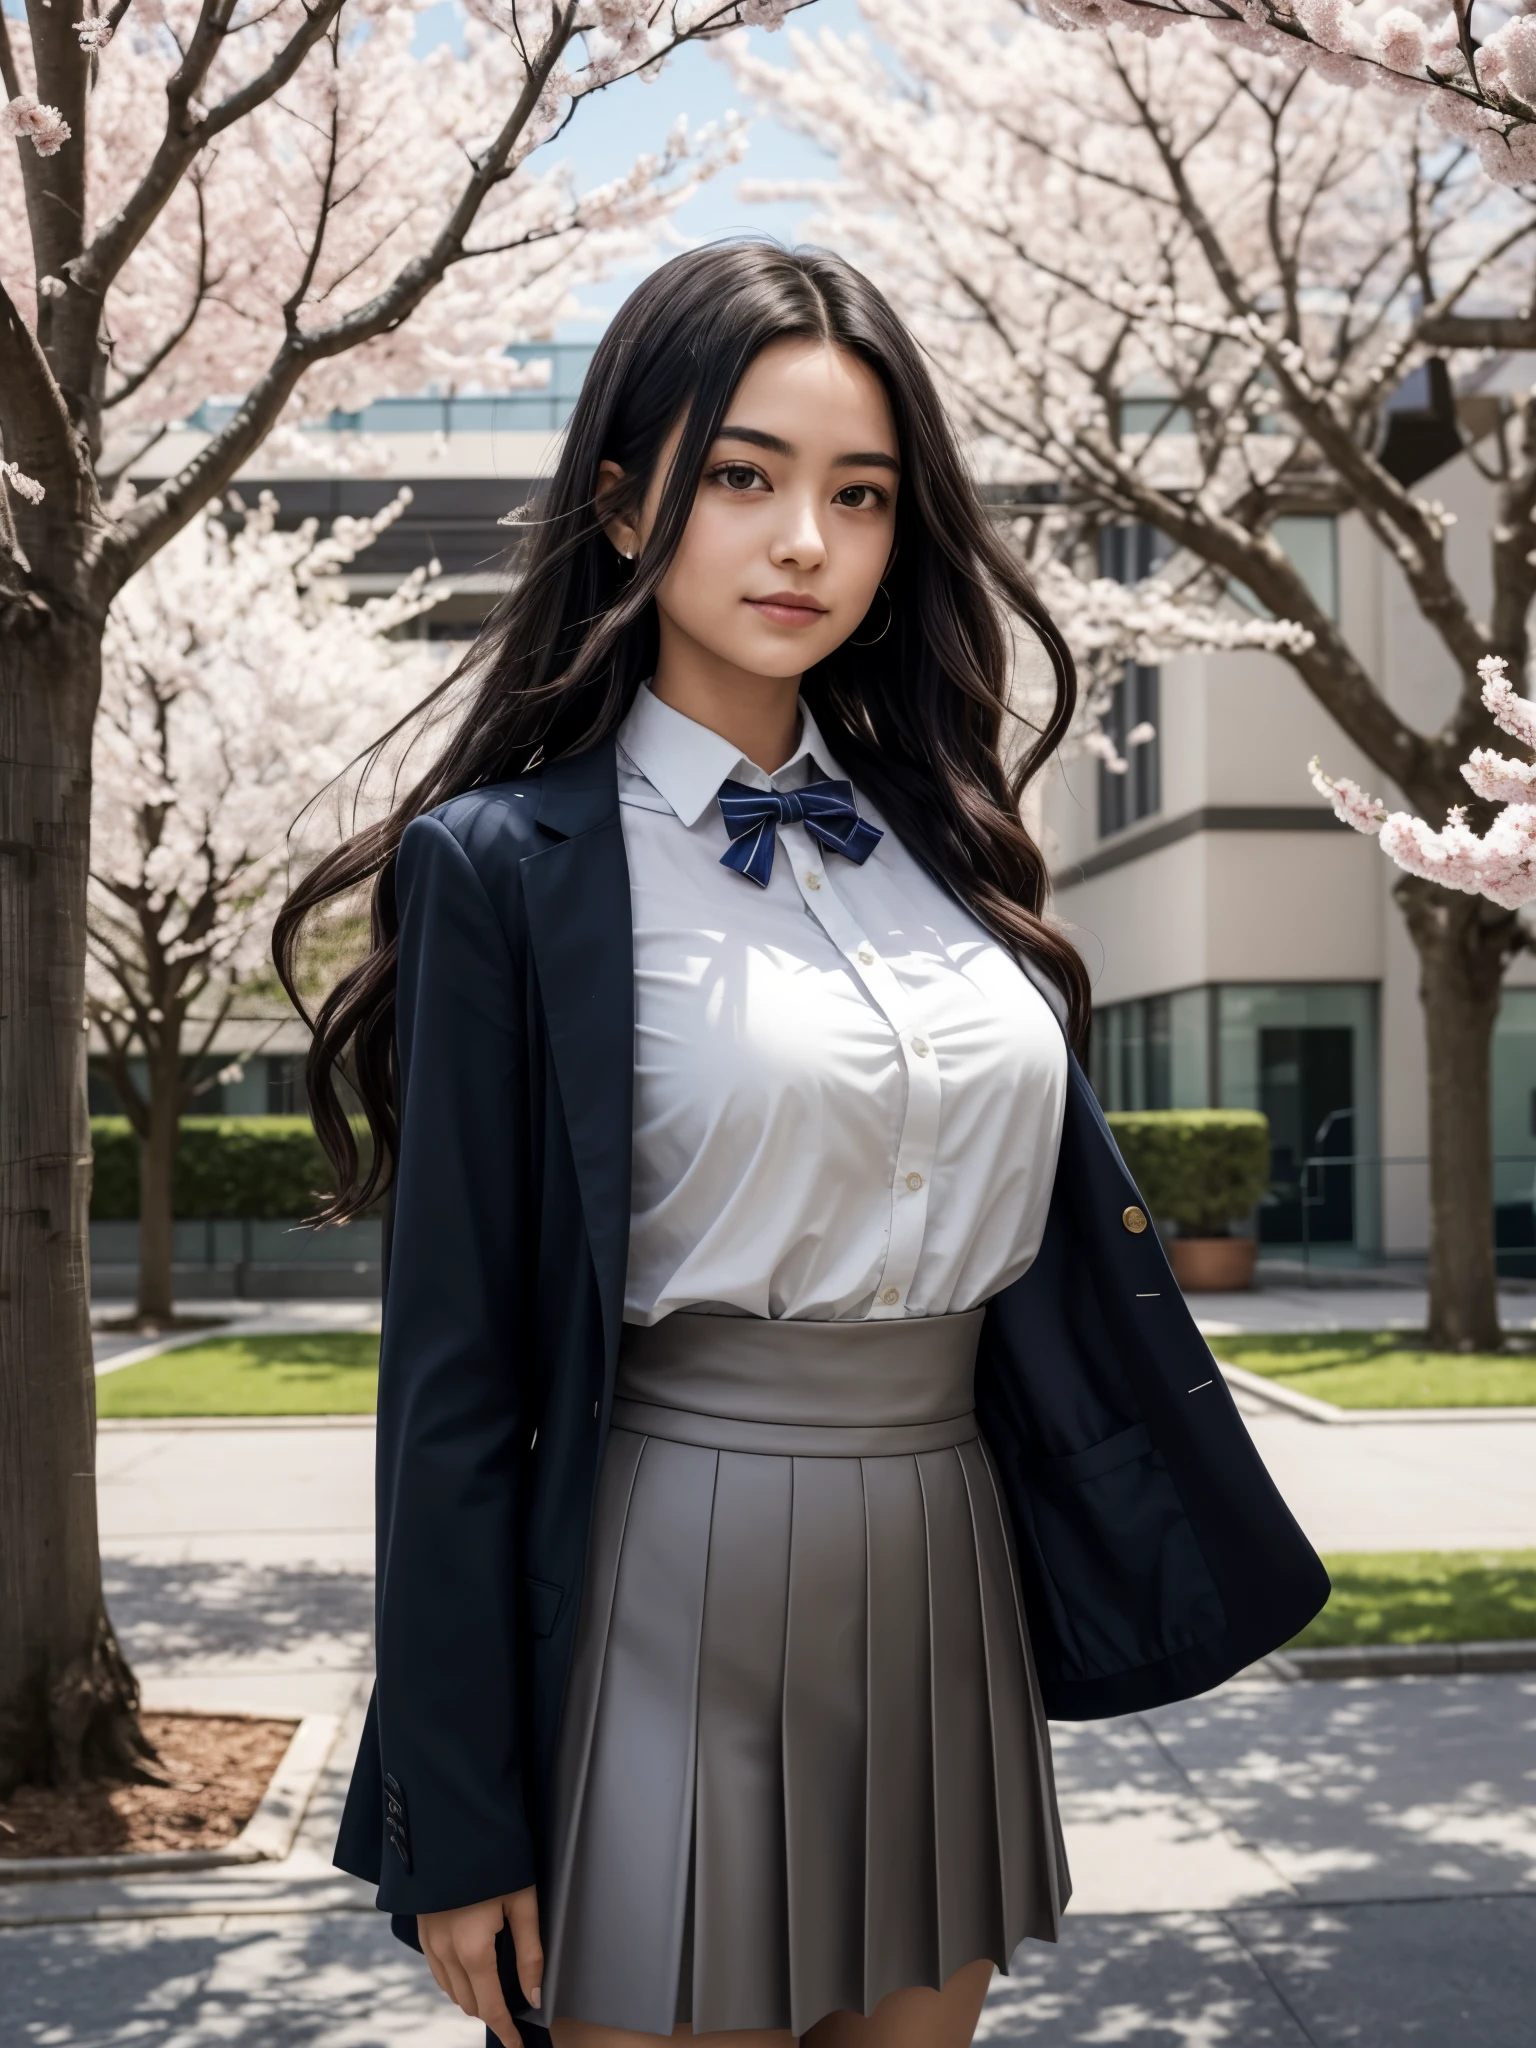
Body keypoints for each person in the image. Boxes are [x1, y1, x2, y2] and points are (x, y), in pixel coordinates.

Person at [274, 242, 1326, 2048]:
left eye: (861, 496)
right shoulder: (510, 869)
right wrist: (461, 1816)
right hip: (658, 1578)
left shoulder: (947, 843)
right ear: (621, 507)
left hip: (944, 1570)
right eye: (743, 477)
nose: (805, 545)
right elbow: (451, 1382)